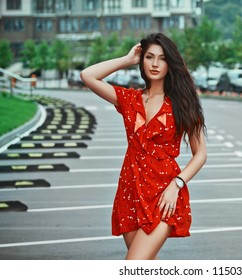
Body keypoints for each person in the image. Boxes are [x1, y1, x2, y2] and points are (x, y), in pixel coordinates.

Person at [80, 33, 207, 260]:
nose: (155, 64)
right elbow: (87, 75)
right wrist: (127, 59)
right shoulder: (129, 100)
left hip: (164, 194)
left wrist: (176, 185)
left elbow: (201, 155)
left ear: (171, 63)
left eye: (162, 58)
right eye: (149, 57)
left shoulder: (183, 103)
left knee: (134, 264)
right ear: (142, 61)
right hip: (130, 192)